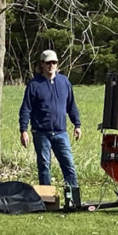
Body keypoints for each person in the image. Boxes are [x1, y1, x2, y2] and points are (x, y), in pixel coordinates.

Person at [19, 49, 82, 188]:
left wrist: (77, 125)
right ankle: (46, 196)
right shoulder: (34, 84)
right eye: (48, 63)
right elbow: (26, 109)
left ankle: (73, 194)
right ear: (42, 64)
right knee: (44, 166)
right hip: (41, 133)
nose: (51, 65)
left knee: (68, 164)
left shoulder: (64, 82)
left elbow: (71, 105)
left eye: (54, 62)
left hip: (61, 132)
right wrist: (23, 130)